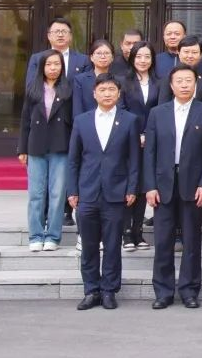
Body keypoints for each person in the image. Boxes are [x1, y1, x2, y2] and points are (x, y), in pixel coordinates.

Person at [143, 64, 202, 309]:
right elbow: (149, 153)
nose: (184, 85)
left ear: (195, 84)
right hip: (163, 184)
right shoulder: (157, 113)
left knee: (191, 240)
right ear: (171, 85)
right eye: (179, 81)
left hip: (193, 185)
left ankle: (189, 290)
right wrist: (150, 186)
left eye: (189, 80)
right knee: (163, 241)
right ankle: (163, 291)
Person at [66, 73, 139, 310]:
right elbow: (73, 159)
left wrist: (132, 187)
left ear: (119, 94)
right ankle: (91, 290)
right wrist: (72, 190)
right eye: (102, 90)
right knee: (88, 246)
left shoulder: (129, 120)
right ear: (94, 94)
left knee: (112, 245)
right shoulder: (82, 121)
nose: (107, 94)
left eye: (111, 90)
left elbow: (134, 159)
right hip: (87, 192)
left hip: (116, 192)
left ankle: (109, 290)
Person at [18, 49, 73, 252]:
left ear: (62, 67)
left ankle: (53, 236)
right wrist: (22, 148)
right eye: (49, 64)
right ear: (42, 67)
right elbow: (25, 121)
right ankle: (35, 235)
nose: (53, 68)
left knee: (57, 194)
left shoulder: (68, 90)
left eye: (57, 64)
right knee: (36, 194)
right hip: (36, 146)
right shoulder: (33, 89)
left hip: (60, 146)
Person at [119, 41, 160, 251]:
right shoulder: (122, 81)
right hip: (128, 140)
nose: (143, 60)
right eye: (139, 56)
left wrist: (148, 134)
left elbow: (161, 110)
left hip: (152, 140)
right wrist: (136, 134)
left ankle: (138, 231)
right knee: (130, 184)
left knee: (144, 186)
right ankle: (126, 232)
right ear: (132, 58)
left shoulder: (160, 82)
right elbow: (121, 110)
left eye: (147, 56)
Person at [26, 17, 90, 87]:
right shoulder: (37, 58)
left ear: (70, 36)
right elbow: (30, 86)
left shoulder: (83, 60)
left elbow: (87, 87)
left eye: (64, 32)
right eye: (56, 31)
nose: (60, 35)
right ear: (49, 36)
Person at [72, 39, 116, 117]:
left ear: (112, 57)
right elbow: (77, 109)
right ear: (91, 57)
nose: (103, 56)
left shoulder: (119, 80)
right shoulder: (80, 80)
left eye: (106, 53)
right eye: (99, 53)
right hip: (87, 122)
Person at [161, 36, 202, 101]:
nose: (190, 56)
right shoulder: (169, 76)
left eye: (194, 52)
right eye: (186, 52)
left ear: (200, 55)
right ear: (179, 53)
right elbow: (163, 103)